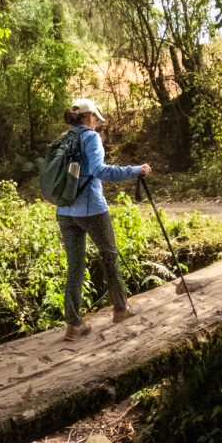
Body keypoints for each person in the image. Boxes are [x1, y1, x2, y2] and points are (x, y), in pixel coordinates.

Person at [56, 98, 152, 342]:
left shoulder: (63, 140)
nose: (97, 123)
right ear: (88, 117)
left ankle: (74, 324)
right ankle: (121, 309)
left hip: (65, 211)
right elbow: (100, 170)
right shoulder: (90, 138)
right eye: (96, 118)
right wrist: (134, 170)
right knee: (109, 255)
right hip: (92, 209)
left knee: (75, 265)